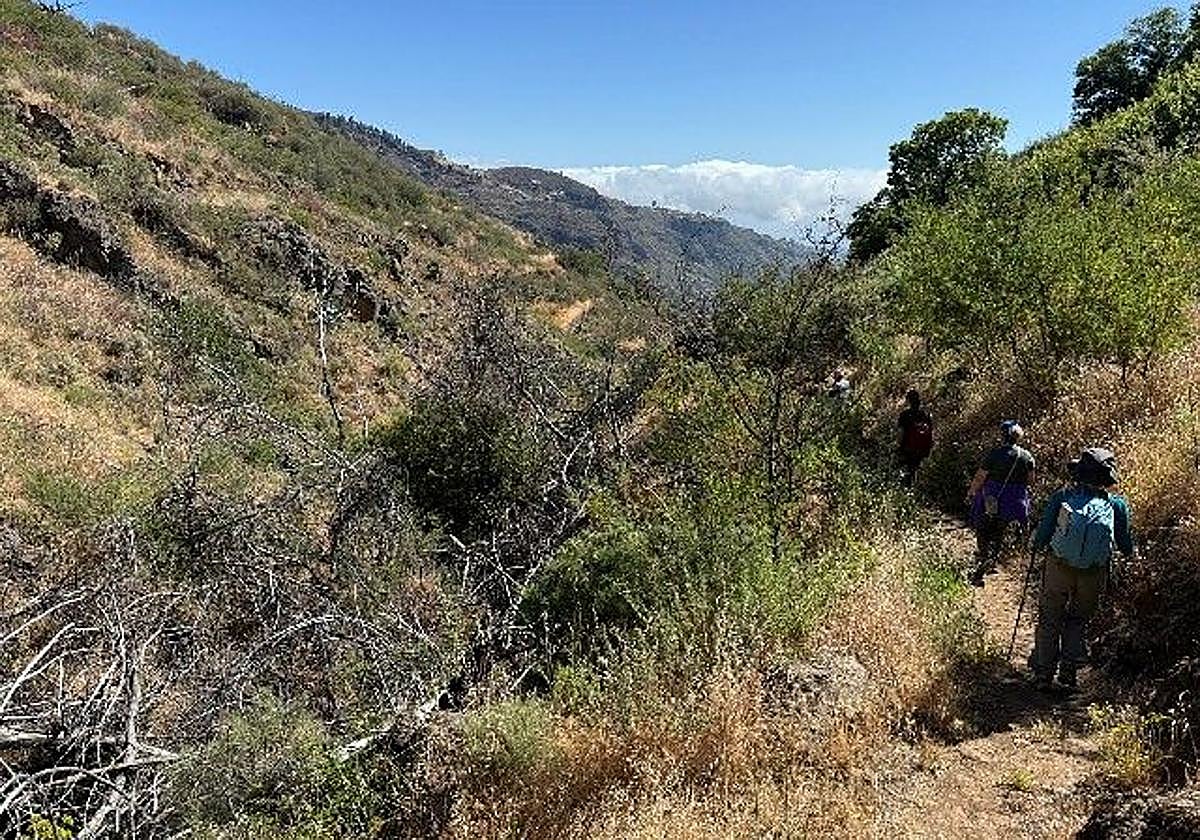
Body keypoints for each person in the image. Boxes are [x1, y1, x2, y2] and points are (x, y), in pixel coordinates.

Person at [1029, 447, 1134, 691]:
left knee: (1050, 617)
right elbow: (1124, 543)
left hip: (1059, 565)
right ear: (1107, 479)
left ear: (1079, 474)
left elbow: (1044, 531)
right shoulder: (1117, 506)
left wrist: (1038, 546)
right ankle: (1068, 672)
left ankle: (1043, 674)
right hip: (1093, 572)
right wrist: (1130, 559)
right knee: (1077, 620)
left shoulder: (1062, 497)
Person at [965, 421, 1036, 586]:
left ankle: (983, 558)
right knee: (1000, 530)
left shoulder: (995, 454)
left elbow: (980, 477)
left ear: (1002, 435)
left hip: (992, 497)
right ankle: (993, 560)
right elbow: (1031, 481)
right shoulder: (1027, 456)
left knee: (983, 528)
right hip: (1015, 501)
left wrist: (972, 492)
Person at [897, 390, 933, 488]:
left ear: (908, 400)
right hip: (923, 449)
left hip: (908, 448)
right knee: (916, 470)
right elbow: (930, 433)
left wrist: (898, 447)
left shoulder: (905, 415)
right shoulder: (926, 415)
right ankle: (915, 489)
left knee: (907, 470)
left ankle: (906, 490)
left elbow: (901, 433)